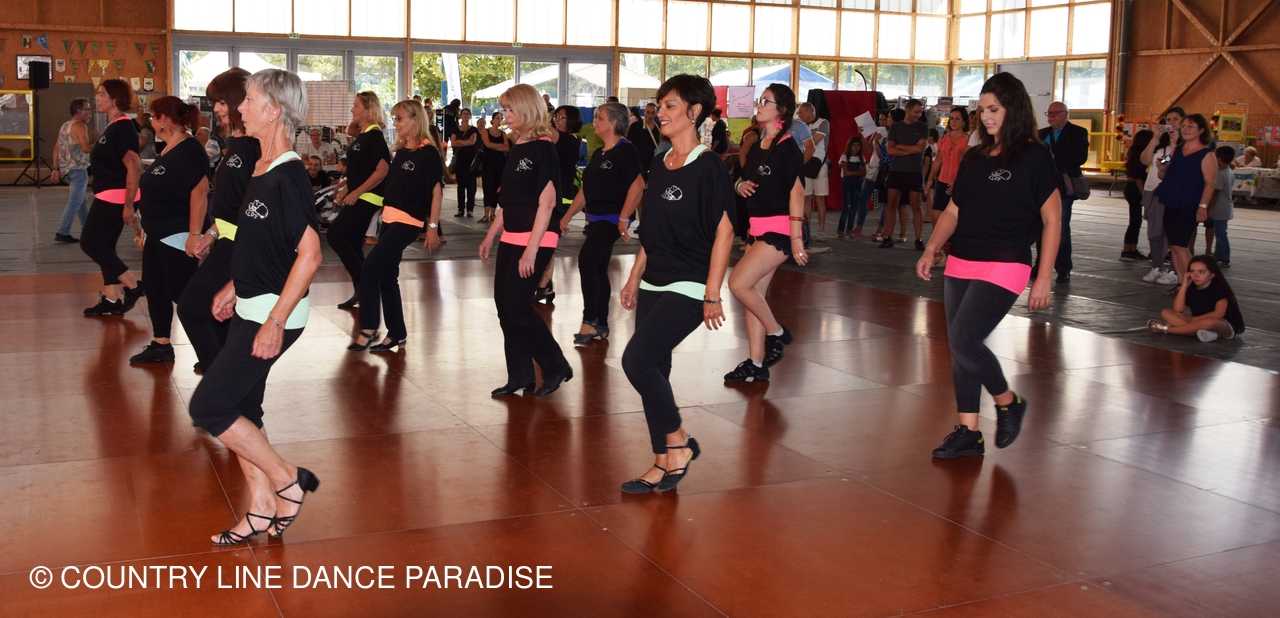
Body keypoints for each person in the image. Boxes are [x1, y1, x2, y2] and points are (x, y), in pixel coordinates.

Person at [188, 68, 323, 546]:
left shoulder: (287, 173)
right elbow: (262, 242)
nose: (239, 107)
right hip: (251, 302)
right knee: (243, 406)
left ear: (275, 110)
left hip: (273, 312)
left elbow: (310, 255)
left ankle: (288, 481)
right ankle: (261, 506)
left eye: (249, 100)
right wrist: (233, 285)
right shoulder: (262, 165)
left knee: (208, 406)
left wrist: (275, 321)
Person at [914, 72, 1062, 459]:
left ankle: (1008, 402)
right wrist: (932, 249)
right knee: (961, 349)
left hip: (1006, 261)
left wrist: (1044, 277)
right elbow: (953, 210)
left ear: (1013, 108)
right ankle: (969, 432)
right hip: (962, 260)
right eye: (981, 110)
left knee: (965, 341)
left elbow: (1053, 220)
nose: (986, 117)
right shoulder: (975, 157)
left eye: (993, 109)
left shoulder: (1035, 156)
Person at [619, 74, 735, 494]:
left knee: (636, 361)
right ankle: (662, 460)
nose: (660, 112)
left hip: (690, 283)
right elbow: (652, 229)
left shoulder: (709, 165)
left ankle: (679, 443)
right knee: (657, 371)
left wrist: (712, 294)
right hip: (654, 279)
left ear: (694, 111)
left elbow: (725, 232)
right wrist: (634, 276)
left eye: (670, 105)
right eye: (660, 105)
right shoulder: (659, 161)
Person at [477, 84, 572, 398]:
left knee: (518, 305)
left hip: (537, 239)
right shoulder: (517, 146)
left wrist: (531, 251)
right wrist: (491, 235)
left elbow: (547, 203)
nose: (505, 115)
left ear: (527, 110)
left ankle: (555, 365)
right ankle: (520, 375)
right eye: (504, 109)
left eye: (510, 109)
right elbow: (511, 201)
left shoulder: (544, 149)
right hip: (512, 236)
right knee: (505, 306)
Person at [178, 67, 261, 373]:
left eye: (222, 102)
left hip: (242, 244)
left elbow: (257, 206)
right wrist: (209, 235)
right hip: (226, 239)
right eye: (215, 103)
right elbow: (231, 204)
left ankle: (221, 381)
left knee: (192, 309)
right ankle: (228, 377)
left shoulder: (254, 144)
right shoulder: (236, 140)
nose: (217, 109)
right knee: (219, 315)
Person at [724, 83, 805, 383]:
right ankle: (757, 364)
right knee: (753, 294)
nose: (758, 104)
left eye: (765, 101)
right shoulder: (759, 143)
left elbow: (797, 193)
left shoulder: (788, 147)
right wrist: (739, 186)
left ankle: (777, 333)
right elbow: (743, 179)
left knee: (737, 283)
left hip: (780, 230)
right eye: (760, 100)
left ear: (780, 110)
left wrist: (796, 238)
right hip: (757, 228)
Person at [349, 99, 444, 353]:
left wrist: (432, 227)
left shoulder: (428, 153)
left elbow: (436, 193)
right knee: (387, 276)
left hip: (408, 221)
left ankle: (369, 328)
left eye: (400, 118)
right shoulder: (401, 151)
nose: (396, 123)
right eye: (394, 118)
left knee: (370, 269)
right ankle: (396, 333)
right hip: (389, 219)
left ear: (415, 119)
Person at [128, 97, 210, 364]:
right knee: (156, 290)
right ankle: (161, 344)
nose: (151, 122)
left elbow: (200, 193)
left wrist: (194, 235)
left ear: (164, 119)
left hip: (177, 234)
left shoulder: (190, 150)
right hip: (157, 233)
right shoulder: (169, 148)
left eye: (153, 117)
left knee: (185, 296)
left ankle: (214, 351)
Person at [558, 102, 643, 344]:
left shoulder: (626, 150)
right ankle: (602, 323)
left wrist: (624, 217)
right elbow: (586, 189)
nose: (594, 121)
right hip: (595, 217)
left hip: (612, 217)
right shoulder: (599, 153)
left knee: (587, 259)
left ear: (613, 123)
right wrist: (568, 215)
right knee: (597, 267)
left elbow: (638, 185)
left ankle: (590, 320)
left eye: (600, 117)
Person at [80, 79, 145, 316]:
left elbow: (134, 166)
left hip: (116, 196)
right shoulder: (114, 126)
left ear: (114, 99)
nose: (97, 98)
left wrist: (128, 204)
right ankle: (112, 298)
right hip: (111, 194)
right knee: (105, 245)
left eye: (101, 94)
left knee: (90, 243)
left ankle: (134, 285)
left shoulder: (123, 127)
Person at [328, 91, 391, 309]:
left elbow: (382, 170)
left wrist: (357, 192)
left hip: (368, 197)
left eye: (356, 106)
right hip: (360, 194)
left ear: (368, 111)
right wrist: (347, 189)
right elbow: (361, 171)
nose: (352, 109)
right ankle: (363, 289)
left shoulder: (374, 136)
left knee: (335, 235)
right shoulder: (363, 135)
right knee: (353, 241)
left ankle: (365, 283)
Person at [1154, 114, 1216, 294]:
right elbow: (1163, 175)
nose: (1186, 129)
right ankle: (1182, 284)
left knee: (1181, 246)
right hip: (1172, 201)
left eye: (1191, 126)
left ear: (1201, 130)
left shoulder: (1207, 154)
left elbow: (1210, 183)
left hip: (1188, 204)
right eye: (1184, 126)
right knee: (1174, 246)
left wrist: (1202, 207)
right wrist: (1163, 168)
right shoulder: (1178, 150)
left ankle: (1196, 284)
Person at [534, 105, 584, 303]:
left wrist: (540, 111)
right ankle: (545, 283)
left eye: (561, 117)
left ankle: (544, 284)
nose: (556, 120)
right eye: (556, 116)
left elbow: (545, 128)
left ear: (571, 120)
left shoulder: (569, 140)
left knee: (546, 241)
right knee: (544, 240)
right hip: (548, 196)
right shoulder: (554, 139)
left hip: (560, 198)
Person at [1036, 101, 1090, 282]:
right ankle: (1040, 265)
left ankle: (1063, 268)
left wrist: (1054, 157)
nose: (1051, 116)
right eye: (1049, 113)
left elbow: (1080, 157)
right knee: (1040, 226)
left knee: (1061, 227)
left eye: (1056, 113)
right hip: (1042, 186)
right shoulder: (1041, 134)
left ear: (1066, 114)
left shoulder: (1078, 132)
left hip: (1064, 187)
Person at [1139, 107, 1186, 285]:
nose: (1171, 123)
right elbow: (1146, 160)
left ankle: (1174, 269)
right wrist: (1155, 137)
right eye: (1168, 119)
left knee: (1173, 233)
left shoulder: (1184, 146)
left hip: (1173, 192)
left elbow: (1172, 164)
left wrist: (1174, 146)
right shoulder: (1160, 145)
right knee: (1155, 232)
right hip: (1153, 190)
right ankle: (1157, 266)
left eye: (1175, 119)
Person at [1147, 255, 1244, 341]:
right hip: (1198, 321)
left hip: (1222, 324)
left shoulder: (1219, 288)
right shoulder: (1192, 286)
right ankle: (1199, 333)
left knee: (1209, 323)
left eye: (1202, 272)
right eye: (1192, 271)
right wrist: (1184, 286)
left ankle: (1168, 329)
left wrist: (1195, 320)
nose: (1195, 276)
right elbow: (1178, 309)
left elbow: (1218, 314)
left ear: (1212, 274)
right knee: (1166, 313)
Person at [880, 99, 928, 250]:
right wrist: (911, 148)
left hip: (914, 170)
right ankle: (888, 236)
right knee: (891, 203)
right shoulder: (895, 127)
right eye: (916, 112)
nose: (918, 115)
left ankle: (918, 239)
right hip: (896, 170)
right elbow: (890, 150)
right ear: (908, 110)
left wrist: (900, 146)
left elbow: (920, 150)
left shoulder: (923, 127)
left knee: (916, 205)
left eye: (920, 112)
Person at [926, 108, 970, 265]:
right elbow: (938, 160)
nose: (954, 121)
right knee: (935, 217)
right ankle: (938, 251)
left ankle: (953, 252)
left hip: (958, 184)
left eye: (957, 118)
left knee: (955, 220)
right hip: (943, 181)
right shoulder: (943, 138)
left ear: (964, 122)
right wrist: (929, 181)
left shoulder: (968, 140)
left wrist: (959, 182)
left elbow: (968, 164)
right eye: (952, 118)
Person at [51, 98, 95, 243]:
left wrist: (55, 168)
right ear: (79, 111)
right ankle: (62, 231)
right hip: (78, 169)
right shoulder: (80, 126)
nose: (90, 113)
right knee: (75, 201)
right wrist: (96, 139)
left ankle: (88, 230)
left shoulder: (65, 126)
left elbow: (56, 148)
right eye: (87, 110)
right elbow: (86, 148)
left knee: (81, 200)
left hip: (67, 169)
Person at [798, 102, 831, 242]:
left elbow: (814, 141)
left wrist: (801, 140)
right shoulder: (801, 125)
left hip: (819, 164)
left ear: (809, 111)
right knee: (806, 198)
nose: (799, 115)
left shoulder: (823, 123)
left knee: (820, 198)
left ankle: (821, 231)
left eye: (801, 112)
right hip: (805, 162)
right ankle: (807, 230)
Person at [1121, 129, 1154, 261]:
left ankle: (1130, 248)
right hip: (1136, 190)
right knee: (1135, 221)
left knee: (1135, 220)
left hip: (1131, 189)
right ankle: (1129, 249)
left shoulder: (1133, 152)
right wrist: (1144, 195)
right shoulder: (1141, 156)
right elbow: (1138, 178)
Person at [870, 108, 898, 242]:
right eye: (881, 119)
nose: (884, 122)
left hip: (893, 170)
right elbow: (882, 155)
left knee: (890, 203)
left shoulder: (895, 136)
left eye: (887, 118)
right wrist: (875, 141)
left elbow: (891, 154)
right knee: (885, 202)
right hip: (883, 169)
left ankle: (886, 231)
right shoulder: (885, 138)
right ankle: (885, 231)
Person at [479, 111, 510, 224]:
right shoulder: (485, 131)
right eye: (497, 118)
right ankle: (486, 214)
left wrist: (494, 147)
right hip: (488, 163)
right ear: (492, 120)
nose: (499, 120)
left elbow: (507, 148)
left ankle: (492, 213)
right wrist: (500, 145)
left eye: (501, 118)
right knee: (487, 188)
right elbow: (487, 144)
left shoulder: (503, 134)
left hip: (500, 164)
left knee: (496, 188)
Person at [836, 134, 869, 239]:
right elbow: (846, 173)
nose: (856, 148)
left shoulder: (862, 158)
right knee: (847, 207)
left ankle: (849, 231)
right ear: (850, 146)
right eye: (854, 145)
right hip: (847, 183)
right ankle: (840, 231)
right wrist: (857, 172)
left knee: (854, 208)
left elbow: (864, 173)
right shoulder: (845, 157)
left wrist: (853, 173)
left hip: (857, 184)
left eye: (858, 145)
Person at [450, 108, 479, 217]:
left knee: (471, 185)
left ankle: (470, 209)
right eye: (464, 114)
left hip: (471, 160)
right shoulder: (455, 129)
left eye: (467, 114)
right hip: (459, 160)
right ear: (461, 116)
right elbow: (453, 143)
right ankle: (460, 209)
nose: (466, 115)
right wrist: (464, 142)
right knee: (461, 185)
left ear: (470, 116)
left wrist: (459, 141)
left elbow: (472, 142)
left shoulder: (474, 130)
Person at [1209, 146, 1234, 267]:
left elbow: (1215, 192)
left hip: (1220, 207)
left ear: (1219, 159)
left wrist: (1209, 208)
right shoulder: (1229, 171)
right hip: (1226, 206)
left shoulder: (1221, 174)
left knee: (1221, 234)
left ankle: (1224, 257)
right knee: (1220, 233)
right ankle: (1218, 255)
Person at [628, 102, 661, 178]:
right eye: (648, 112)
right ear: (644, 112)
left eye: (653, 113)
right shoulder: (635, 126)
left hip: (654, 162)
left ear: (656, 113)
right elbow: (629, 144)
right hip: (639, 162)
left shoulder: (660, 128)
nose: (650, 115)